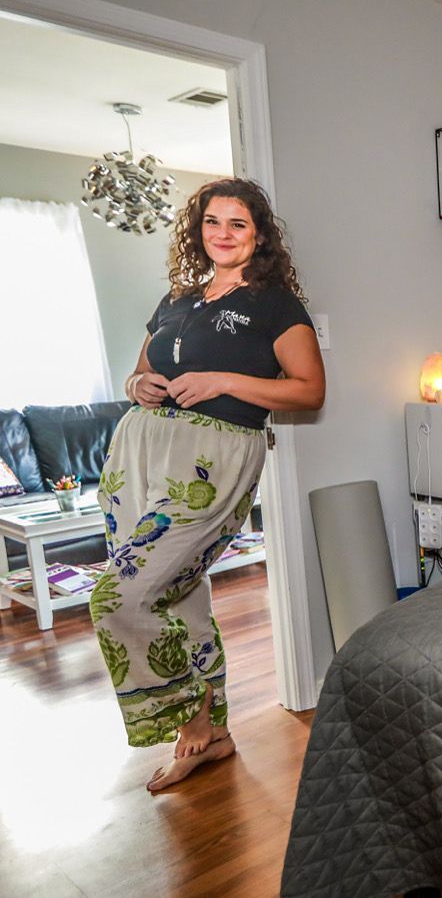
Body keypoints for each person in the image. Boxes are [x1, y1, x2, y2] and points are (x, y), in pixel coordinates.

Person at [91, 178, 325, 791]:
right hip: (139, 452)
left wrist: (224, 379)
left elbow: (308, 389)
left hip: (210, 459)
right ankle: (209, 733)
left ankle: (180, 718)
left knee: (119, 595)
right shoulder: (176, 299)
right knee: (179, 593)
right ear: (199, 232)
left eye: (239, 224)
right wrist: (134, 385)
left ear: (260, 235)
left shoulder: (275, 305)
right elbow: (143, 369)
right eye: (213, 222)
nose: (223, 234)